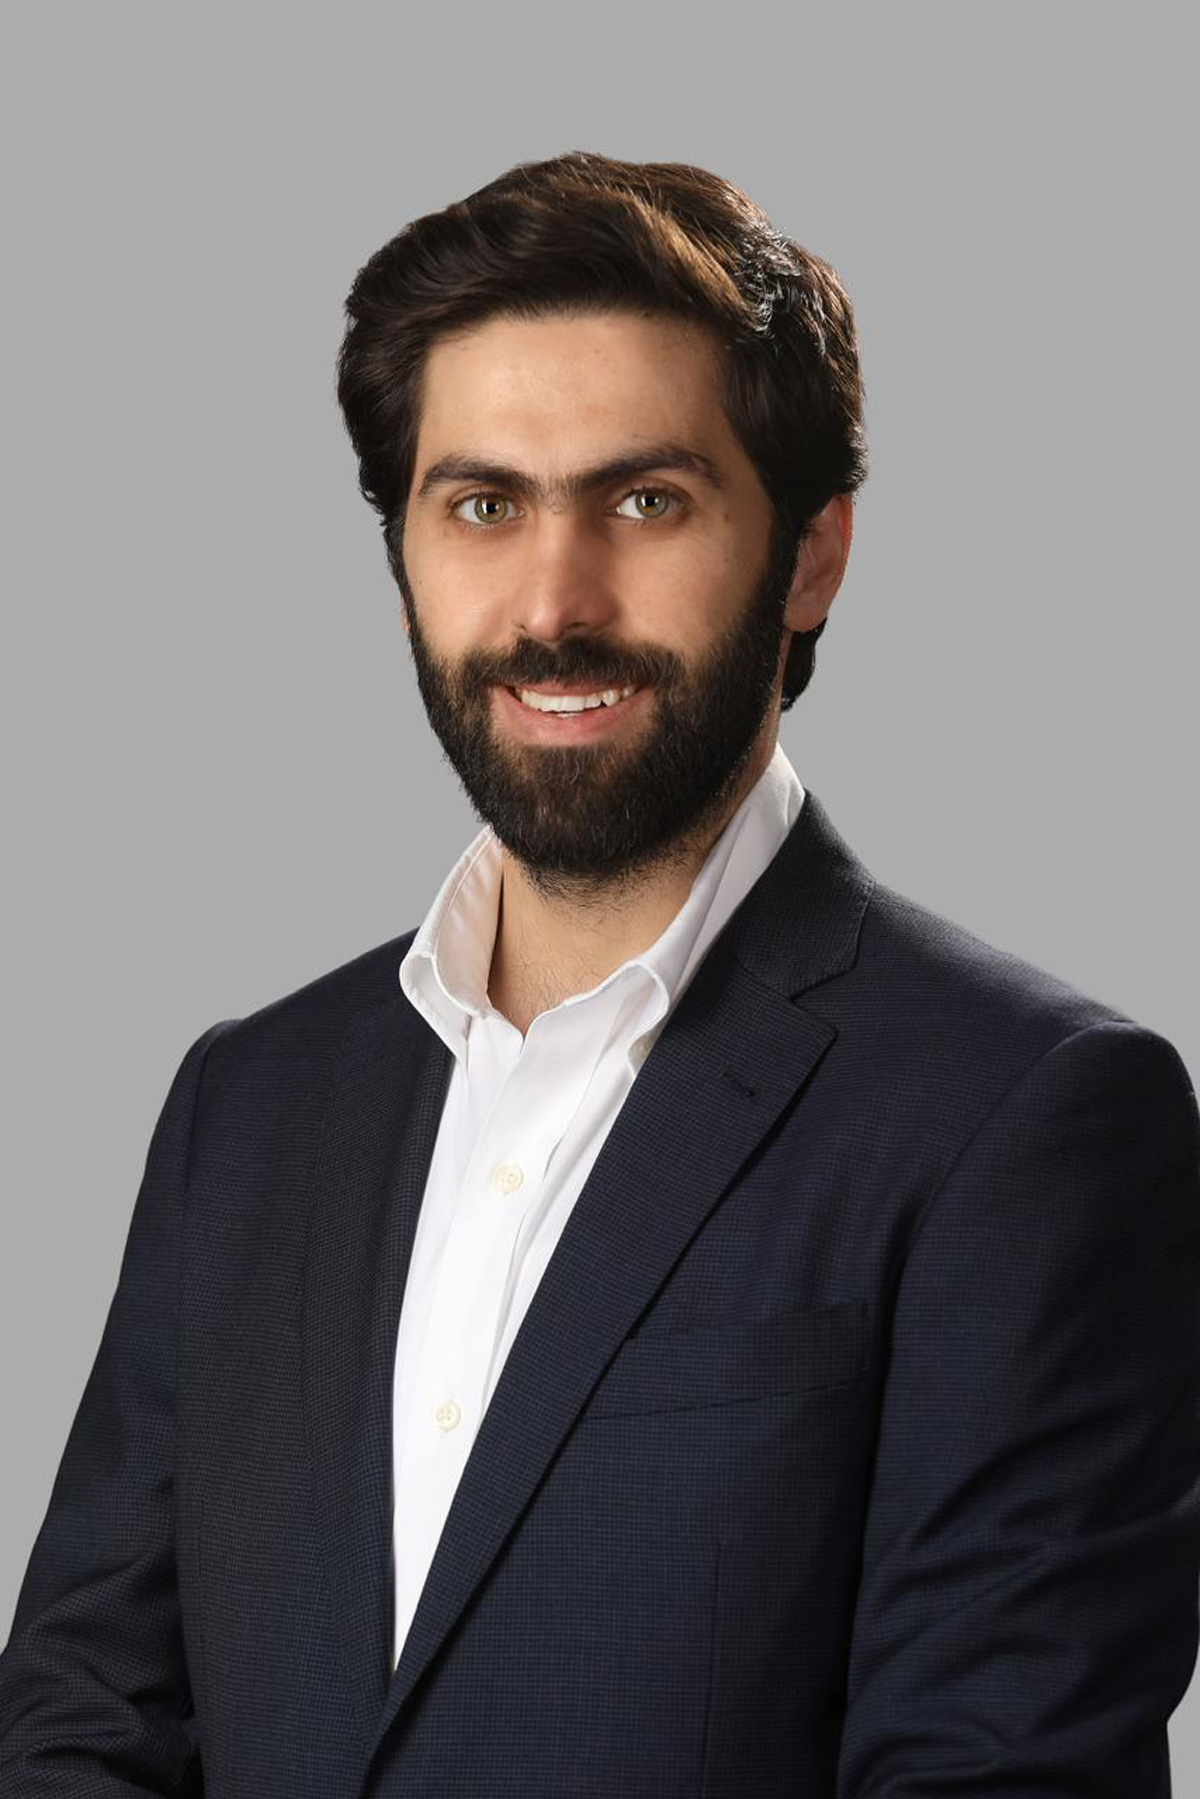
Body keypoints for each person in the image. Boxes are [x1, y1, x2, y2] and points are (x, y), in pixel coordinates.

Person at [2, 148, 1198, 1799]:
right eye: (483, 506)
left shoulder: (1025, 1119)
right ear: (405, 553)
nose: (553, 604)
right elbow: (84, 1718)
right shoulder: (247, 1105)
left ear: (812, 555)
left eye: (646, 501)